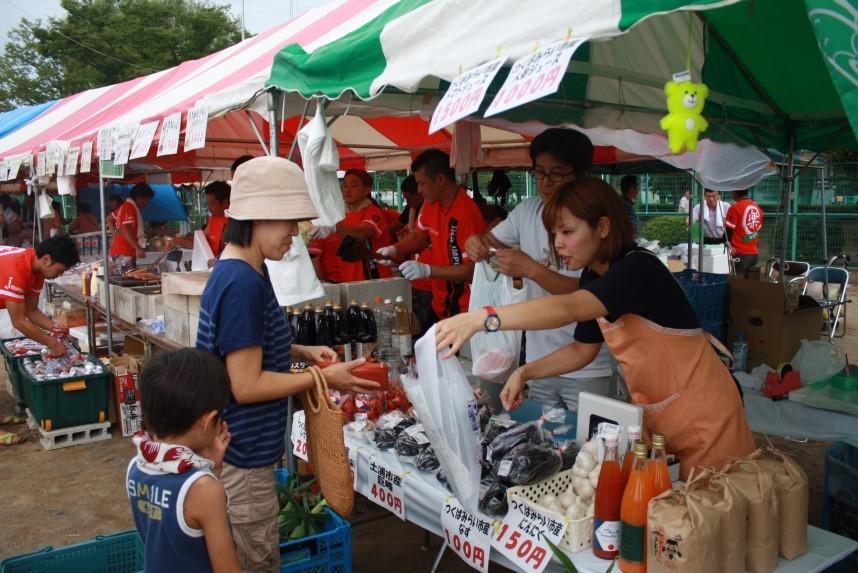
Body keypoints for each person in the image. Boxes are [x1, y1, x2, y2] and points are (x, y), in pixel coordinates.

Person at [435, 178, 755, 479]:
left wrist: (482, 319)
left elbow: (569, 307)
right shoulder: (594, 275)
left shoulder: (637, 268)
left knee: (714, 511)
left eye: (567, 232)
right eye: (554, 234)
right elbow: (581, 349)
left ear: (603, 226)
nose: (558, 244)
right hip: (659, 416)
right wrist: (526, 372)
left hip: (704, 414)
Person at [196, 156, 378, 572]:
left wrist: (301, 352)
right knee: (255, 561)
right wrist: (321, 376)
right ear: (258, 218)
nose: (295, 235)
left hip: (240, 449)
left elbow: (247, 346)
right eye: (289, 222)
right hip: (241, 458)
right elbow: (245, 385)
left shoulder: (246, 271)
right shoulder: (241, 283)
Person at [465, 128, 614, 411]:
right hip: (541, 359)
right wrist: (476, 244)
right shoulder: (528, 211)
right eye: (539, 172)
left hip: (587, 366)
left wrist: (531, 269)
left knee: (587, 447)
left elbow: (583, 298)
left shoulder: (599, 233)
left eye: (556, 174)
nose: (546, 183)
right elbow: (488, 245)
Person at [128, 348, 240, 573]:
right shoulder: (205, 490)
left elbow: (175, 529)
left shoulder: (136, 466)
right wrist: (210, 476)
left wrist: (211, 468)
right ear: (206, 421)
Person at [376, 149, 486, 324]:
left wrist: (428, 270)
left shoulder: (466, 214)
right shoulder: (431, 203)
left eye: (422, 184)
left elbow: (473, 271)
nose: (419, 190)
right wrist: (394, 249)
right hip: (439, 303)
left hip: (466, 310)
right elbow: (420, 236)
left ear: (440, 180)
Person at [0, 235, 80, 446]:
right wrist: (51, 343)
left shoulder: (36, 271)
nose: (59, 275)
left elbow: (31, 311)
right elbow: (18, 321)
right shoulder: (17, 268)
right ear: (46, 259)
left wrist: (55, 328)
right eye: (60, 270)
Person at [308, 169, 392, 283]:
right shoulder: (338, 216)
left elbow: (362, 232)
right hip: (348, 280)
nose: (347, 190)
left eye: (353, 185)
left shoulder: (373, 212)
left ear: (367, 189)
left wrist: (335, 228)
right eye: (345, 185)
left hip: (375, 280)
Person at [167, 181, 231, 258]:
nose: (209, 208)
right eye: (208, 204)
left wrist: (217, 260)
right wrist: (178, 241)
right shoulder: (213, 220)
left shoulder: (235, 223)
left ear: (225, 203)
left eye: (212, 204)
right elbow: (198, 242)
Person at [109, 184, 155, 268]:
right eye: (146, 200)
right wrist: (137, 247)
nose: (147, 203)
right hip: (124, 252)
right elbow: (124, 227)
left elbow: (110, 219)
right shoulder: (129, 207)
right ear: (139, 197)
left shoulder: (124, 206)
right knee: (127, 279)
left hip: (119, 251)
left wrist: (116, 234)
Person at [725, 189, 763, 277]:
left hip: (740, 254)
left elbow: (728, 230)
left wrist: (727, 243)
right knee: (748, 285)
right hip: (754, 254)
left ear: (735, 193)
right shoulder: (757, 207)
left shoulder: (735, 208)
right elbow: (758, 227)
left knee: (736, 284)